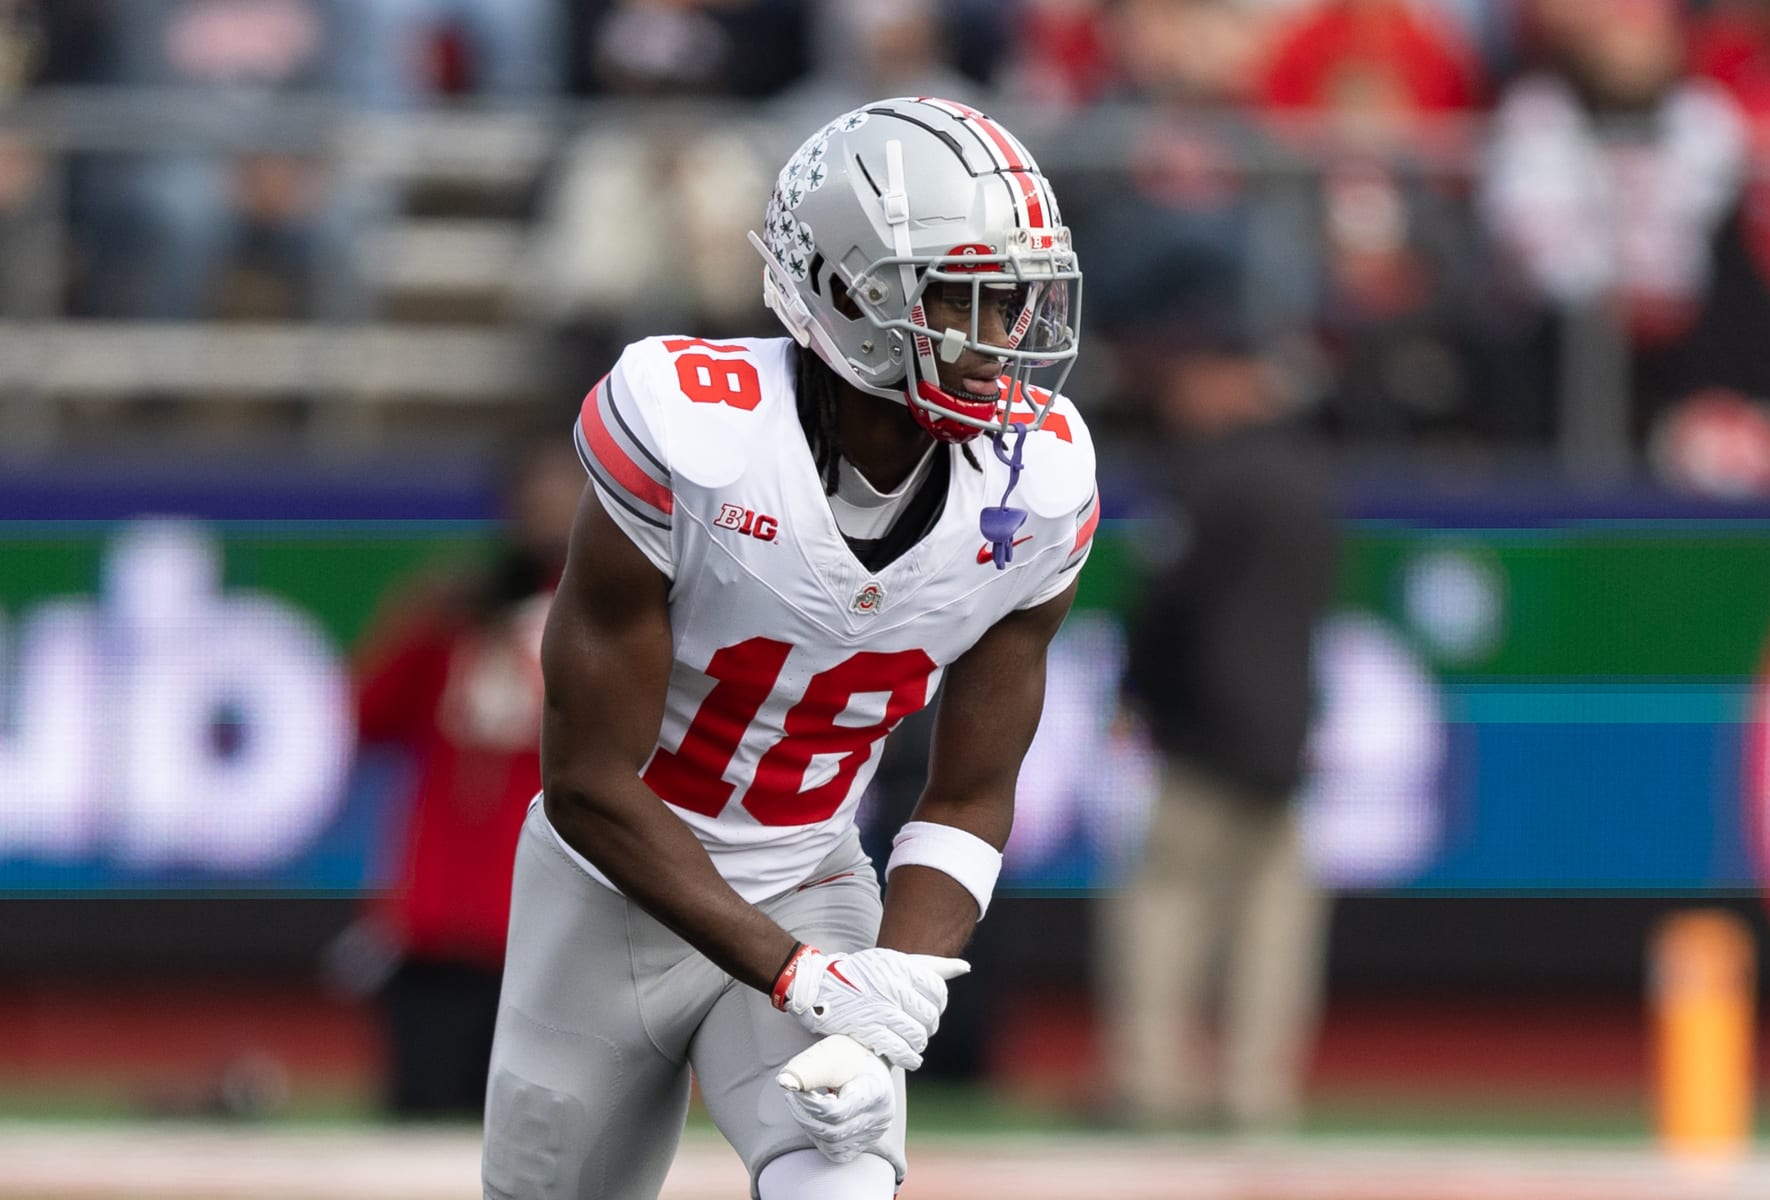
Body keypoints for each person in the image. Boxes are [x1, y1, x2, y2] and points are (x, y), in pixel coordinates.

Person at [482, 98, 1095, 1200]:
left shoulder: (1035, 489)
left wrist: (886, 993)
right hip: (606, 894)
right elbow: (584, 785)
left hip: (809, 871)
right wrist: (803, 979)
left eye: (1011, 296)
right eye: (962, 294)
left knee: (843, 1172)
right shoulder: (697, 433)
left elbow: (965, 797)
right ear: (849, 290)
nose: (1002, 332)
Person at [1105, 294, 1337, 1134]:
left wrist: (1136, 696)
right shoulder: (1309, 475)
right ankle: (1256, 1091)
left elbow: (1167, 608)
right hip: (1286, 726)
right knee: (1274, 913)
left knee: (1168, 900)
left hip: (1204, 727)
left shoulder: (1206, 477)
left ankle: (1154, 1081)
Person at [346, 434, 587, 1116]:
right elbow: (367, 716)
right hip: (444, 916)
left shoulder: (624, 614)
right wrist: (420, 622)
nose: (547, 515)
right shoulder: (461, 611)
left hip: (554, 921)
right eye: (534, 498)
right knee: (425, 1123)